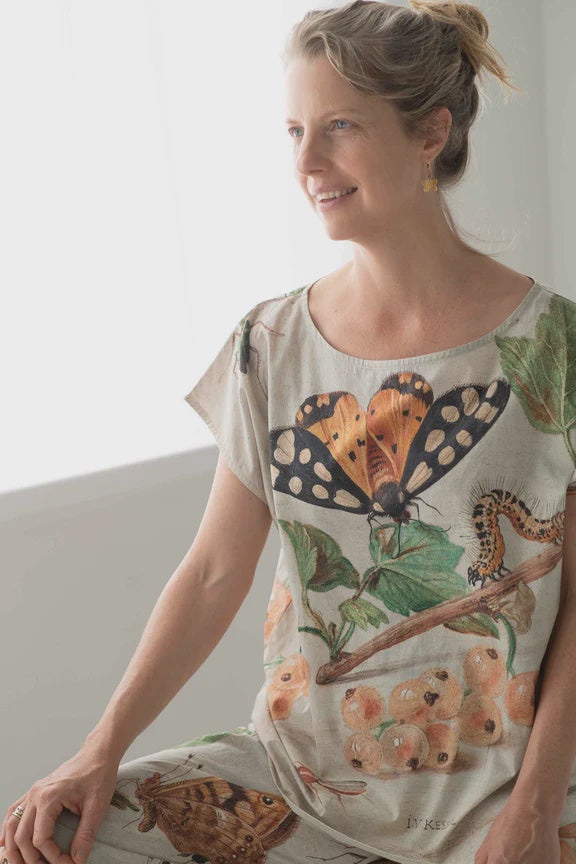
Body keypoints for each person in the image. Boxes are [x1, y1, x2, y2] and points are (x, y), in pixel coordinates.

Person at [3, 1, 576, 863]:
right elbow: (211, 574)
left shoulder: (553, 348)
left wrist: (532, 808)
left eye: (339, 127)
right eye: (294, 131)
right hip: (300, 783)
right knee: (48, 839)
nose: (308, 163)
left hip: (499, 796)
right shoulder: (270, 345)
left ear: (430, 133)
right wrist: (100, 748)